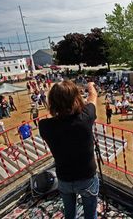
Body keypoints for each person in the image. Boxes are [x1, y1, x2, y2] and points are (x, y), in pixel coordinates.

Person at [39, 80, 99, 219]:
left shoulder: (45, 126)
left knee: (69, 213)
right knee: (91, 215)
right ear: (76, 98)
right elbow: (93, 97)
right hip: (86, 177)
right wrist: (90, 86)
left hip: (64, 178)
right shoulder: (85, 118)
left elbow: (57, 120)